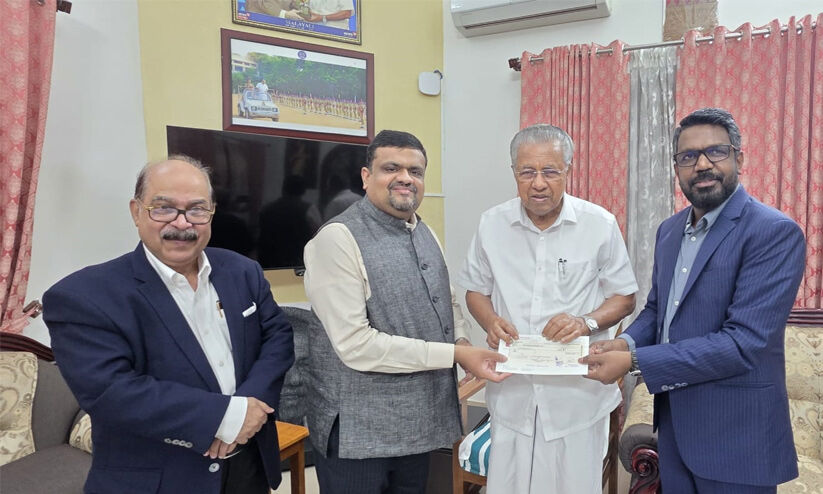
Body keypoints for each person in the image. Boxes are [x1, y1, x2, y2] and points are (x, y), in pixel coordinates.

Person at [581, 108, 805, 493]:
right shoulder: (669, 231)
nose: (702, 164)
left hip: (738, 440)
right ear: (676, 168)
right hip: (675, 432)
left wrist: (633, 360)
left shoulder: (773, 232)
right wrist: (625, 342)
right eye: (688, 156)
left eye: (715, 151)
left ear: (739, 158)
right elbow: (658, 310)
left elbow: (743, 343)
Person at [42, 156, 295, 494]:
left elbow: (277, 337)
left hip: (247, 467)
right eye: (163, 208)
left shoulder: (243, 271)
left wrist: (248, 410)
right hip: (158, 480)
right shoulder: (82, 296)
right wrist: (226, 417)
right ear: (136, 211)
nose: (182, 223)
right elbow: (111, 392)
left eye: (197, 209)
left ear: (212, 213)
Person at [303, 130, 510, 494]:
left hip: (417, 423)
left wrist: (462, 339)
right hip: (359, 433)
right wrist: (456, 354)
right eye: (391, 168)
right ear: (366, 177)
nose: (405, 178)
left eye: (415, 171)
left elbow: (445, 300)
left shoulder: (424, 231)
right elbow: (356, 345)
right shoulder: (337, 239)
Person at [458, 124, 638, 493]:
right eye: (527, 172)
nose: (538, 183)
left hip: (577, 398)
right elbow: (475, 291)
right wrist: (490, 321)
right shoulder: (492, 224)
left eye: (550, 171)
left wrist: (585, 322)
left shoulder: (599, 224)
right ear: (514, 172)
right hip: (514, 394)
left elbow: (624, 297)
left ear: (568, 170)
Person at [284, 0, 353, 29]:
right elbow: (306, 9)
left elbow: (347, 13)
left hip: (334, 32)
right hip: (313, 30)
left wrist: (322, 18)